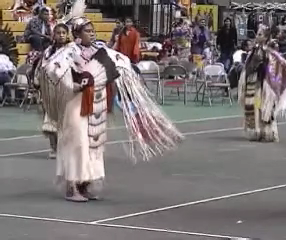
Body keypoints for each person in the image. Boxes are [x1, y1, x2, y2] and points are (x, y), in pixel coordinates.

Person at [37, 15, 183, 202]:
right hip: (76, 103)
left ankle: (85, 184)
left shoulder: (100, 49)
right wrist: (73, 84)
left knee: (93, 145)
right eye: (87, 31)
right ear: (77, 34)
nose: (92, 33)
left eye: (92, 30)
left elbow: (120, 63)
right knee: (77, 143)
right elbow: (51, 70)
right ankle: (71, 186)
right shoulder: (68, 52)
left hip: (97, 103)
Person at [238, 25, 286, 142]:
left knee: (265, 108)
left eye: (260, 34)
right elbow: (249, 66)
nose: (257, 37)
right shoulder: (255, 50)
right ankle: (257, 130)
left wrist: (265, 63)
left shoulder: (270, 50)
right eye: (257, 34)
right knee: (255, 106)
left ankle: (268, 132)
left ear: (266, 37)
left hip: (266, 84)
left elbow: (279, 63)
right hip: (256, 82)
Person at [34, 23, 70, 159]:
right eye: (58, 33)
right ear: (54, 35)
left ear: (67, 35)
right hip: (50, 90)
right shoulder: (49, 51)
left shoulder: (72, 50)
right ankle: (54, 147)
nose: (61, 35)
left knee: (67, 121)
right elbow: (42, 68)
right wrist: (38, 81)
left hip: (67, 90)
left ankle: (66, 147)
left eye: (63, 33)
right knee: (51, 120)